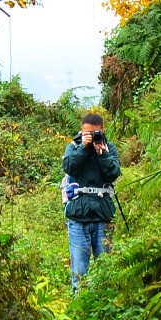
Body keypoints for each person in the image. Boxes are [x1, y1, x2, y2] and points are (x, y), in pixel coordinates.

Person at [62, 111, 120, 291]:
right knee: (79, 273)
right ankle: (78, 313)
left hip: (103, 216)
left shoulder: (110, 148)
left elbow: (113, 173)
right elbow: (69, 167)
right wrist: (83, 149)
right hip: (79, 216)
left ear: (102, 130)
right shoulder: (73, 147)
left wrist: (102, 154)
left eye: (95, 133)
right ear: (81, 131)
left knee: (106, 271)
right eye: (87, 133)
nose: (91, 137)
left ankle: (105, 311)